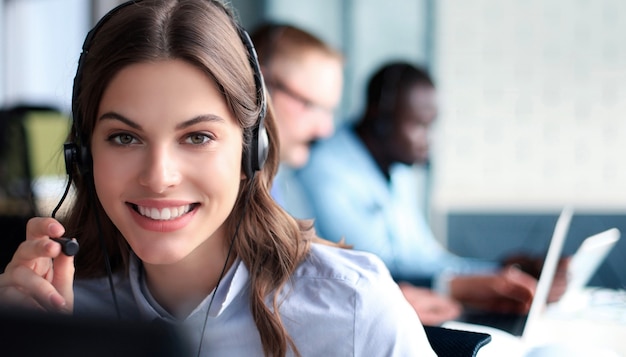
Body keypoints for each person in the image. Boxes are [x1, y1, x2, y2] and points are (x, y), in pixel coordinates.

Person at [0, 3, 436, 357]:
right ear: (84, 155)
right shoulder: (57, 305)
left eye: (197, 137)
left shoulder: (352, 308)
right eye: (124, 137)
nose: (159, 176)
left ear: (251, 152)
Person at [295, 61, 569, 323]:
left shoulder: (398, 169)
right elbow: (373, 272)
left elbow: (427, 258)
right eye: (419, 126)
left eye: (431, 125)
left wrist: (503, 270)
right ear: (380, 119)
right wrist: (465, 284)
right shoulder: (325, 168)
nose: (429, 140)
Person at [250, 23, 343, 216]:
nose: (326, 130)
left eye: (328, 111)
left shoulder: (278, 187)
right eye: (310, 105)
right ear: (261, 86)